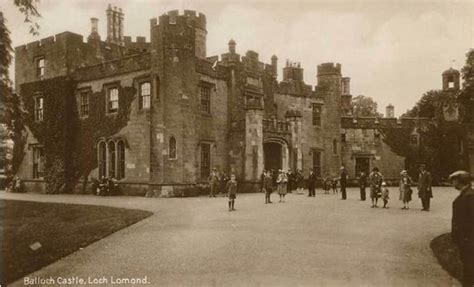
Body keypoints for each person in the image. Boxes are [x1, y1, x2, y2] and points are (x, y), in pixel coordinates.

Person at [449, 170, 474, 287]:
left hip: (468, 239)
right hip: (465, 239)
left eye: (454, 180)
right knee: (467, 266)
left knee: (469, 267)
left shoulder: (470, 196)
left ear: (459, 181)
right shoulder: (466, 194)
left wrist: (466, 237)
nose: (452, 183)